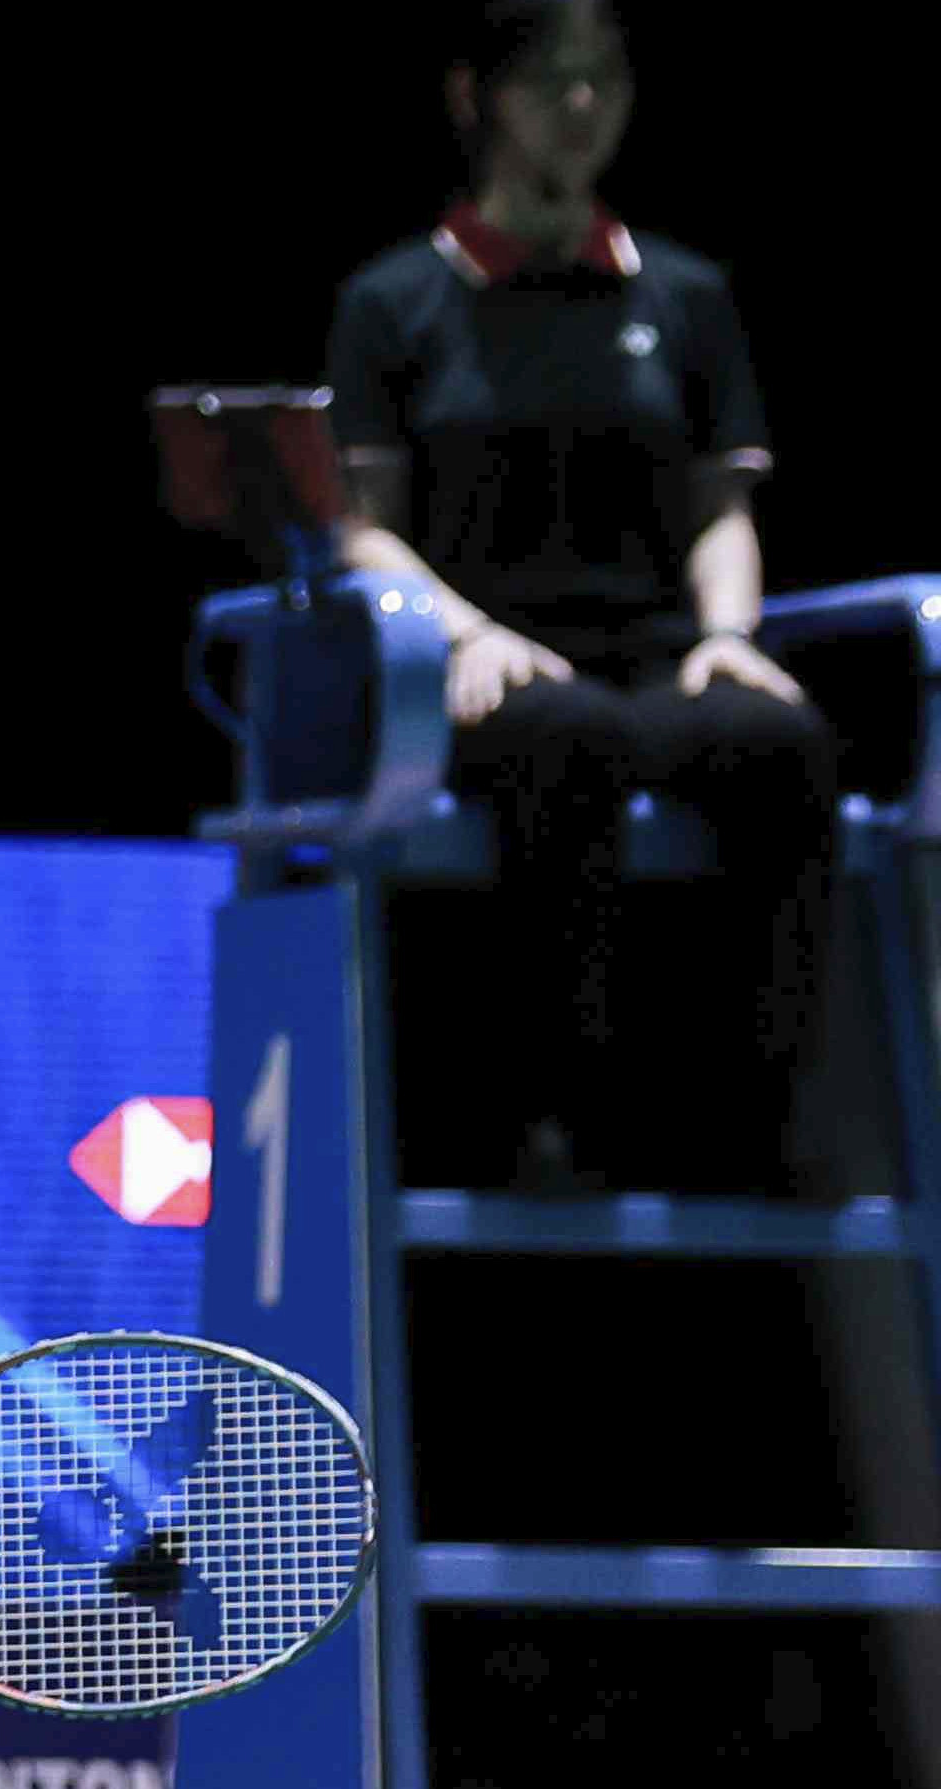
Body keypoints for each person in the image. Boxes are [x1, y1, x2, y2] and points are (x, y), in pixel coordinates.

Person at [325, 0, 837, 1192]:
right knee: (570, 740)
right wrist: (467, 632)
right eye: (551, 80)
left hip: (659, 650)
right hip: (482, 661)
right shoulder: (396, 303)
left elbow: (721, 506)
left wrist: (728, 638)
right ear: (476, 99)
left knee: (783, 745)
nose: (582, 107)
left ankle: (753, 1130)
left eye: (604, 79)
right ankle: (554, 1119)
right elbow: (361, 529)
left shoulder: (686, 297)